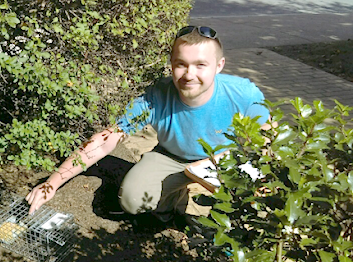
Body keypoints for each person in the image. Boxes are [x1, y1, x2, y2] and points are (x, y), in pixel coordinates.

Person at [26, 26, 270, 225]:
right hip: (171, 156)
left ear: (219, 66)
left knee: (250, 206)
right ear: (171, 64)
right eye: (181, 64)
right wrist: (52, 182)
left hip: (222, 159)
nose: (188, 74)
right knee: (133, 200)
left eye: (200, 65)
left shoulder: (243, 93)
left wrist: (218, 164)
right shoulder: (156, 95)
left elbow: (268, 136)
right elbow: (105, 140)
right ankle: (172, 203)